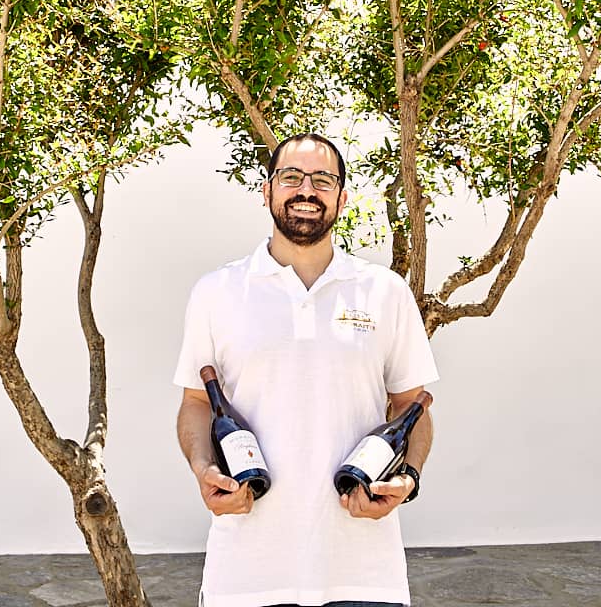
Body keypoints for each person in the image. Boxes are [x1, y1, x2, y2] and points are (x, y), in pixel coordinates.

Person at [174, 132, 439, 607]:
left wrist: (409, 479)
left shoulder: (385, 291)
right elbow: (196, 402)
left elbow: (411, 406)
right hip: (247, 570)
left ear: (341, 196)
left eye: (322, 180)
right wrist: (203, 470)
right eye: (291, 177)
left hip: (362, 569)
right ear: (267, 189)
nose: (306, 191)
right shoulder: (217, 292)